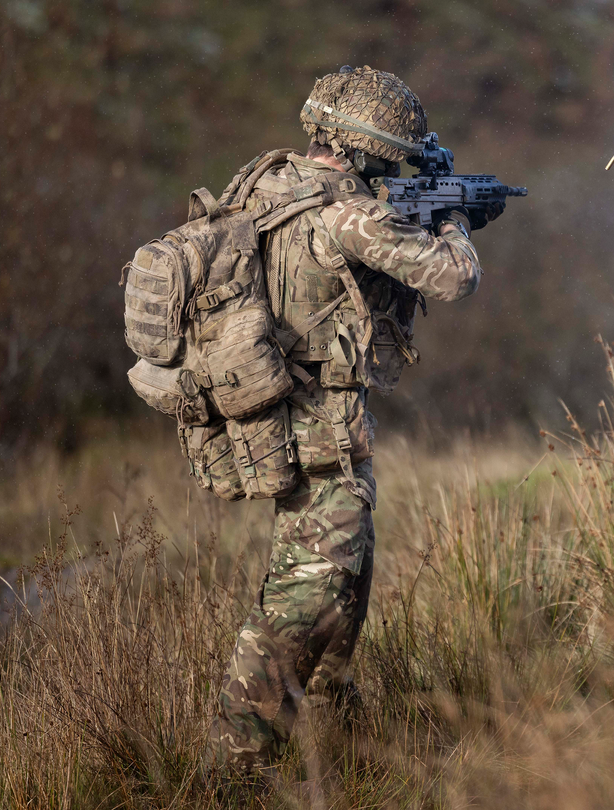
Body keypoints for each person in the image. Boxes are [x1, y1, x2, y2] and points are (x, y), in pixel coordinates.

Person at [205, 65, 500, 776]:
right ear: (361, 147)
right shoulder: (347, 215)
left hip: (287, 422)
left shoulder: (266, 186)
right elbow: (456, 275)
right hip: (317, 436)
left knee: (344, 590)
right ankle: (233, 766)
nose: (390, 168)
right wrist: (456, 215)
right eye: (388, 156)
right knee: (300, 603)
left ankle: (335, 749)